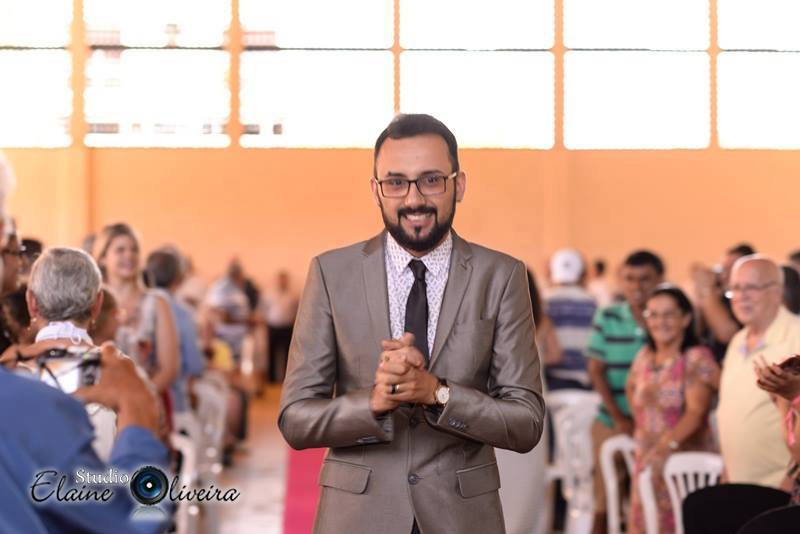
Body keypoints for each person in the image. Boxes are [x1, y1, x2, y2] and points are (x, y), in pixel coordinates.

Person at [278, 113, 545, 534]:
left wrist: (437, 393)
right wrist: (373, 403)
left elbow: (526, 422)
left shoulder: (502, 276)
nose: (413, 198)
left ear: (459, 185)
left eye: (431, 180)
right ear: (376, 190)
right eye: (396, 182)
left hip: (461, 518)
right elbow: (295, 419)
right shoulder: (331, 273)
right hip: (357, 517)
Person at [626, 285, 720, 534]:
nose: (660, 322)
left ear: (686, 318)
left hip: (682, 464)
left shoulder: (695, 358)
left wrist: (665, 446)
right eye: (653, 315)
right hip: (648, 457)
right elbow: (631, 389)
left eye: (669, 314)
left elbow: (696, 413)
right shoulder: (645, 356)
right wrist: (645, 430)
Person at [587, 249, 664, 534]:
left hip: (657, 426)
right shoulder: (608, 316)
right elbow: (596, 370)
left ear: (659, 280)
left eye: (645, 279)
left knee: (649, 499)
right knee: (604, 498)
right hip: (612, 419)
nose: (636, 286)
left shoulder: (665, 319)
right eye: (630, 279)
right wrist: (620, 418)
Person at [717, 255, 797, 488]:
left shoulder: (796, 336)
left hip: (781, 487)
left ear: (776, 292)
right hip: (739, 484)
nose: (741, 297)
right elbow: (731, 413)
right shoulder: (737, 341)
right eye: (735, 288)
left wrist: (793, 479)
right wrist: (727, 471)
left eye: (751, 288)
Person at [93, 223, 178, 397]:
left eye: (134, 250)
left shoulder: (157, 302)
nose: (129, 255)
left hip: (147, 396)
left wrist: (138, 398)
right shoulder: (94, 301)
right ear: (103, 258)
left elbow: (169, 368)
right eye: (120, 250)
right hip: (101, 398)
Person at [145, 249, 206, 414]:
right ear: (179, 279)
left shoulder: (136, 306)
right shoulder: (183, 313)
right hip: (173, 404)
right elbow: (194, 366)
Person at [692, 242, 755, 362]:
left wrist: (707, 289)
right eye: (723, 269)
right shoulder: (720, 299)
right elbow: (696, 332)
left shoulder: (750, 300)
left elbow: (726, 334)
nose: (724, 275)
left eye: (732, 269)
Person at [545, 248, 596, 390]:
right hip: (586, 382)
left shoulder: (544, 303)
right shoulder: (593, 304)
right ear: (583, 273)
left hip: (553, 381)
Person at [262, 269, 299, 383]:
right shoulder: (269, 294)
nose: (282, 282)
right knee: (272, 354)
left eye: (284, 280)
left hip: (287, 328)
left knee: (288, 355)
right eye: (280, 280)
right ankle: (271, 380)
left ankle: (287, 379)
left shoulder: (293, 295)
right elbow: (264, 310)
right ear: (277, 281)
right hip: (273, 327)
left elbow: (297, 311)